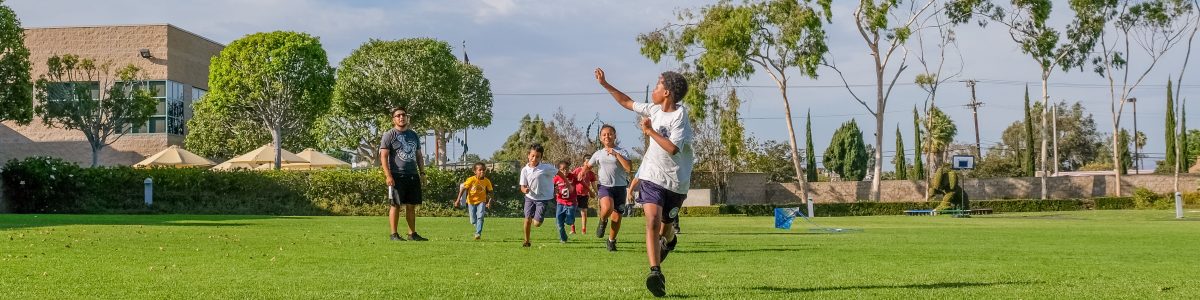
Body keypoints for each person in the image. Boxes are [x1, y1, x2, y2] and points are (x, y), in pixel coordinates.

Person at [596, 67, 693, 298]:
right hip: (651, 177)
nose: (655, 88)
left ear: (667, 92)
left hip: (676, 182)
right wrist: (605, 84)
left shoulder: (680, 116)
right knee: (651, 219)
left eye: (658, 85)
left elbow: (672, 148)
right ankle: (655, 272)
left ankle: (669, 240)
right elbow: (627, 102)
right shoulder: (653, 109)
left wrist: (649, 131)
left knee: (665, 230)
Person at [380, 107, 428, 242]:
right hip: (396, 175)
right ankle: (394, 234)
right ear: (393, 119)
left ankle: (412, 234)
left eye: (403, 115)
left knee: (411, 205)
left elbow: (419, 155)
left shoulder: (413, 135)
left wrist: (422, 172)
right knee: (395, 204)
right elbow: (383, 156)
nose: (401, 117)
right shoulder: (389, 135)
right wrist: (388, 175)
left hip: (412, 174)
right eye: (398, 115)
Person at [584, 124, 633, 252]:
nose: (607, 136)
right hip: (605, 186)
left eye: (610, 133)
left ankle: (611, 241)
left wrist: (616, 154)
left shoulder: (622, 151)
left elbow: (628, 168)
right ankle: (602, 220)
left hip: (620, 187)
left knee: (616, 218)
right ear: (600, 138)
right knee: (607, 207)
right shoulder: (598, 153)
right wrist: (582, 172)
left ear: (615, 136)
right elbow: (588, 165)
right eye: (604, 134)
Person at [519, 144, 558, 248]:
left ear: (541, 157)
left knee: (536, 224)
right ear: (528, 155)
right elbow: (522, 187)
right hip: (529, 197)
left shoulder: (546, 168)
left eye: (537, 156)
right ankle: (526, 241)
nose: (534, 158)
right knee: (527, 219)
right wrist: (525, 190)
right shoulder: (525, 170)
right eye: (532, 156)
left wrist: (567, 184)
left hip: (542, 198)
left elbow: (558, 173)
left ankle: (538, 217)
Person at [454, 162, 494, 240]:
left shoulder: (487, 181)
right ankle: (477, 227)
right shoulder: (471, 180)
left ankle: (478, 233)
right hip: (471, 202)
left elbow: (491, 193)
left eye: (483, 170)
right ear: (475, 171)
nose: (482, 171)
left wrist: (489, 202)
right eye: (480, 170)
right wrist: (458, 200)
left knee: (480, 216)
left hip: (481, 201)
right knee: (473, 220)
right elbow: (463, 189)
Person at [571, 155, 597, 235]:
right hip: (575, 194)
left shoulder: (592, 174)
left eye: (590, 163)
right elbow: (571, 179)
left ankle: (583, 230)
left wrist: (597, 193)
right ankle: (573, 229)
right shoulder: (578, 170)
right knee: (572, 212)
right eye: (587, 162)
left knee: (584, 213)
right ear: (583, 162)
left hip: (584, 195)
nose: (589, 164)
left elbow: (593, 185)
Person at [553, 160, 578, 243]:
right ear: (559, 170)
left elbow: (581, 181)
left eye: (567, 169)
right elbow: (551, 187)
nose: (565, 171)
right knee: (559, 223)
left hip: (571, 203)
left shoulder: (573, 177)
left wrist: (590, 190)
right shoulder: (556, 178)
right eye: (563, 169)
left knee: (570, 221)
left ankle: (569, 220)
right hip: (560, 202)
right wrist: (554, 191)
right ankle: (563, 238)